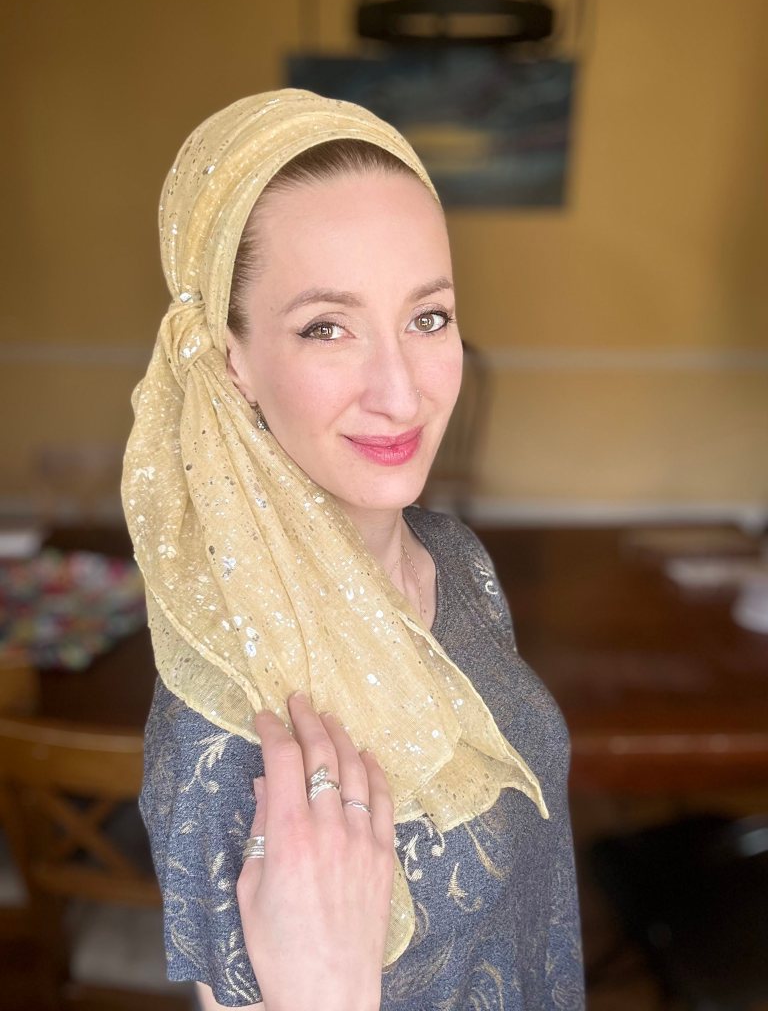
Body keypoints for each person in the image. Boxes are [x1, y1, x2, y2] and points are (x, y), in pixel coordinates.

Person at [123, 89, 584, 1010]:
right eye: (326, 327)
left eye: (428, 317)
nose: (401, 393)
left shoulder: (457, 563)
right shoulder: (230, 729)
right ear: (229, 362)